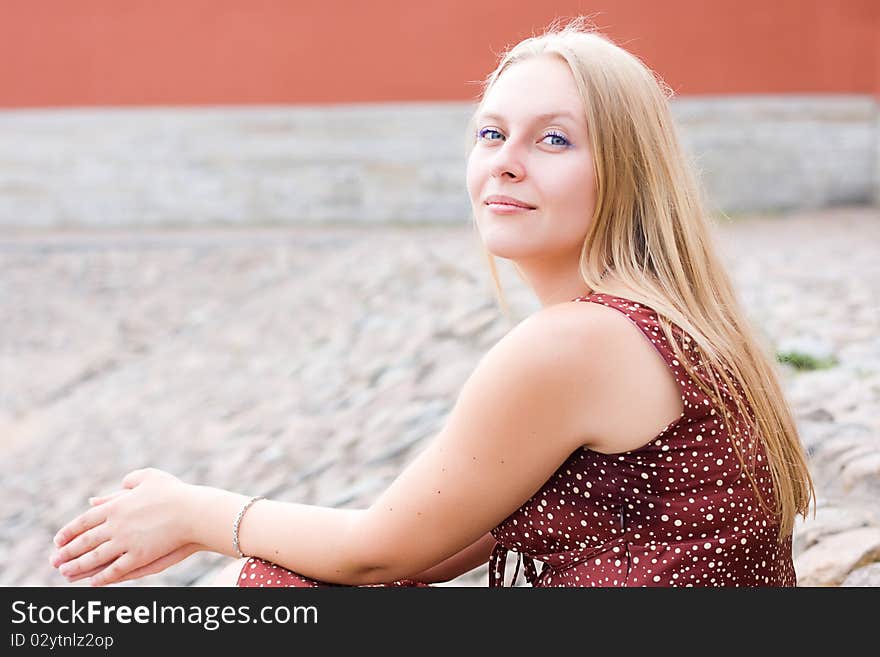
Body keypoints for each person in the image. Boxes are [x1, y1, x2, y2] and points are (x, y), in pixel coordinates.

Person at [48, 17, 815, 588]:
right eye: (491, 133)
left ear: (628, 174)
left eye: (553, 141)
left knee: (274, 591)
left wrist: (196, 512)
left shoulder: (580, 343)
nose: (506, 164)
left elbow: (378, 547)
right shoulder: (669, 323)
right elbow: (429, 539)